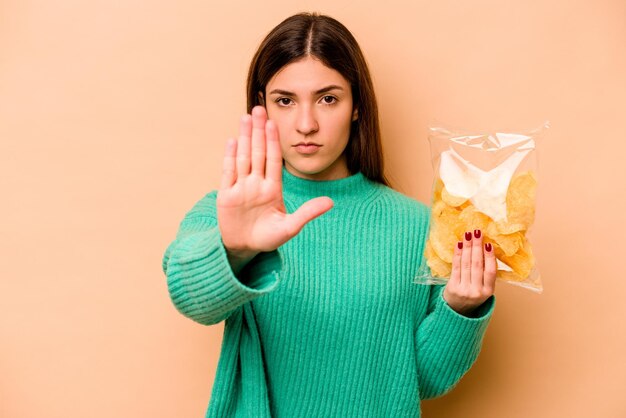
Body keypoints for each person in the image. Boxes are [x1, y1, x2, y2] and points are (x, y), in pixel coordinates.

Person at [162, 12, 496, 418]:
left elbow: (420, 380)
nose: (306, 124)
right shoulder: (230, 209)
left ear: (357, 106)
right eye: (285, 101)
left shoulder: (420, 227)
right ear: (261, 108)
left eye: (328, 99)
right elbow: (189, 297)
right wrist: (235, 249)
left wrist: (459, 310)